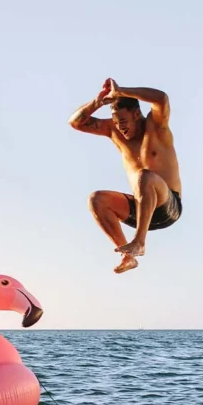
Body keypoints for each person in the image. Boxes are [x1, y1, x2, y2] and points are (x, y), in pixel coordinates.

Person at [69, 78, 182, 274]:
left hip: (167, 206)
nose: (120, 127)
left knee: (144, 176)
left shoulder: (156, 127)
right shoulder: (114, 131)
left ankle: (139, 242)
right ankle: (127, 256)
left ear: (137, 114)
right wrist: (98, 102)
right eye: (115, 121)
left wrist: (122, 91)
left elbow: (161, 98)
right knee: (97, 199)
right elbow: (76, 123)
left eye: (123, 121)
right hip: (140, 207)